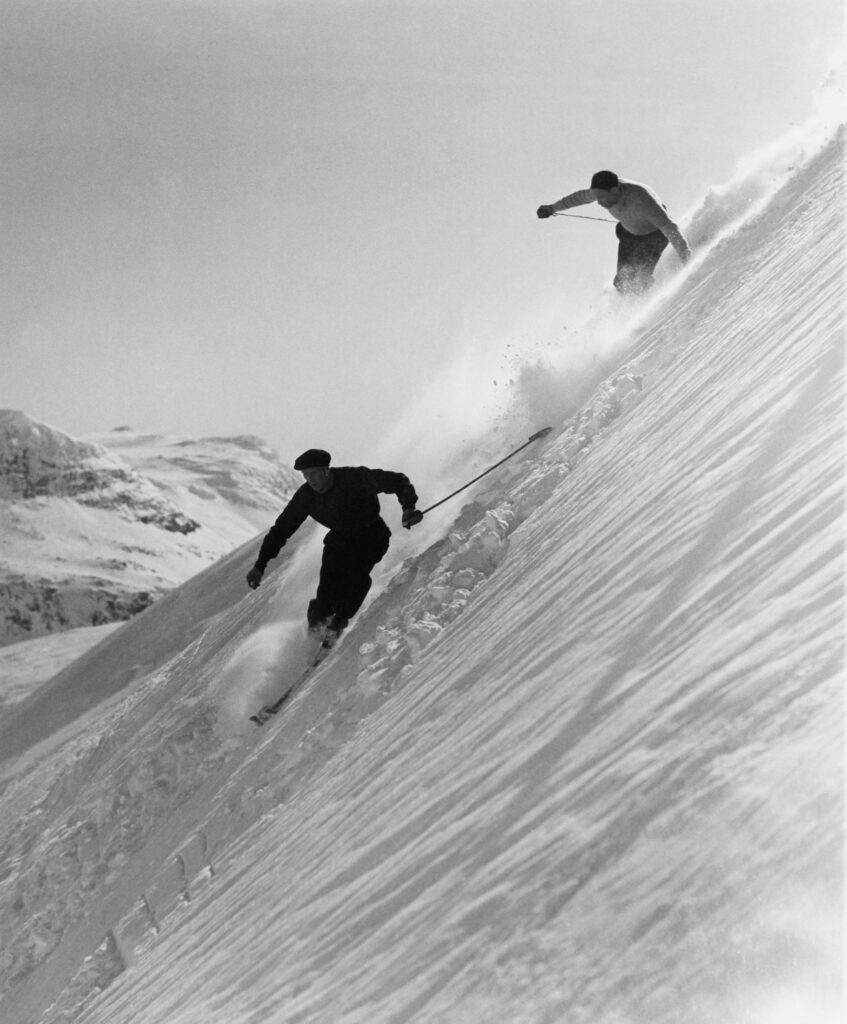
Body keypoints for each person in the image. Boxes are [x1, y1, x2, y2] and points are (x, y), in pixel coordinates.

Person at [246, 448, 423, 643]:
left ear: (326, 470)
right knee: (326, 592)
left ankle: (338, 622)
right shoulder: (306, 496)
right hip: (339, 540)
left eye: (313, 474)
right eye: (305, 476)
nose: (310, 480)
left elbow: (397, 480)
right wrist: (260, 565)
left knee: (355, 576)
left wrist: (408, 508)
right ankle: (315, 637)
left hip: (372, 534)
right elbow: (281, 529)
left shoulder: (354, 478)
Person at [537, 170, 692, 294]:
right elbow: (578, 198)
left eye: (602, 197)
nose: (598, 201)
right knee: (621, 282)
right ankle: (629, 307)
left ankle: (656, 300)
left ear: (615, 189)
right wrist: (552, 208)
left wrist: (687, 258)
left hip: (654, 236)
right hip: (628, 235)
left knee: (639, 279)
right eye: (596, 196)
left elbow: (670, 228)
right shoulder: (602, 192)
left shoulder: (643, 199)